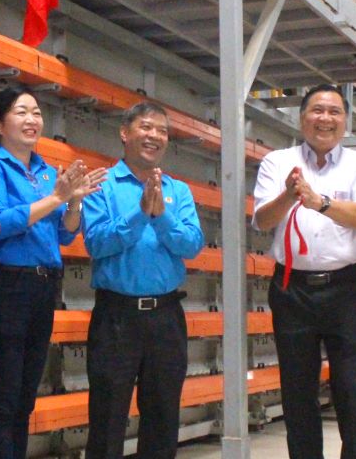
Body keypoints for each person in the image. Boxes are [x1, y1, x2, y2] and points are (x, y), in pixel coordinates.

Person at [0, 88, 107, 459]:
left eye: (37, 113)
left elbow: (64, 232)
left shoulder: (46, 171)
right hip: (5, 284)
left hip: (44, 283)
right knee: (4, 394)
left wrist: (74, 200)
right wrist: (57, 199)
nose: (32, 120)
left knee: (25, 395)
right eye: (21, 112)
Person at [252, 83, 356, 459]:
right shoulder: (278, 162)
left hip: (345, 288)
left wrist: (319, 202)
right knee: (297, 390)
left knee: (352, 388)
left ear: (345, 121)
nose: (324, 119)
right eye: (316, 110)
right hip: (292, 288)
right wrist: (289, 195)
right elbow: (262, 220)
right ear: (302, 118)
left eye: (334, 112)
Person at [81, 102, 204, 459]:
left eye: (162, 131)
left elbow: (192, 244)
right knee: (107, 416)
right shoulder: (101, 185)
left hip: (166, 317)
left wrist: (161, 217)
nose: (154, 136)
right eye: (146, 127)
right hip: (116, 315)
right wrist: (139, 214)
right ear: (125, 133)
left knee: (164, 415)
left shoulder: (177, 191)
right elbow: (97, 243)